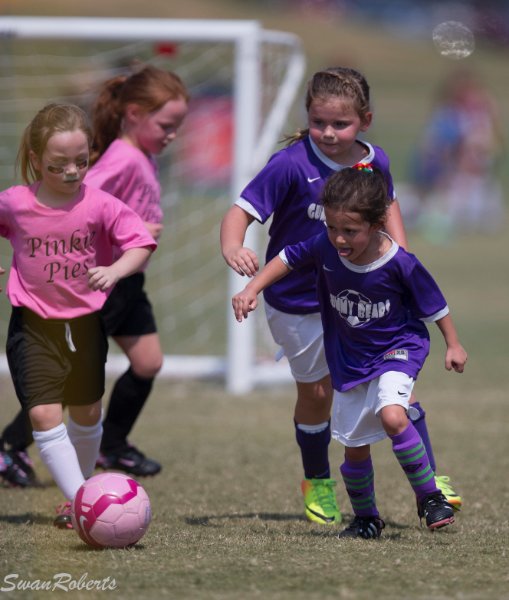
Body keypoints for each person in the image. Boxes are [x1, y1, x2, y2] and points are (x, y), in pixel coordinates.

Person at [220, 67, 461, 527]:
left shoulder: (376, 162)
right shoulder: (291, 164)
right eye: (318, 122)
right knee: (317, 393)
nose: (328, 133)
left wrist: (401, 265)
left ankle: (430, 478)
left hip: (362, 296)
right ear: (307, 118)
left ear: (364, 119)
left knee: (390, 384)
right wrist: (234, 248)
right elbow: (241, 212)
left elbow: (387, 208)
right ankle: (318, 482)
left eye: (340, 124)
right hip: (298, 301)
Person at [0, 65, 189, 482]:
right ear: (135, 114)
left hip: (126, 278)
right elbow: (83, 196)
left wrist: (135, 235)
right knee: (65, 384)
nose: (172, 135)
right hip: (94, 284)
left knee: (147, 361)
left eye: (177, 126)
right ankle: (12, 446)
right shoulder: (119, 158)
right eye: (166, 125)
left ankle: (111, 445)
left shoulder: (143, 156)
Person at [0, 103, 157, 527]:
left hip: (86, 326)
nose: (71, 171)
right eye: (58, 165)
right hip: (32, 326)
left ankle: (83, 490)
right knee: (44, 414)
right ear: (35, 160)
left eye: (81, 161)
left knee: (87, 412)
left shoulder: (101, 204)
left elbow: (140, 242)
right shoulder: (14, 204)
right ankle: (86, 503)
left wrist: (115, 269)